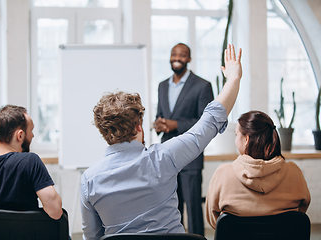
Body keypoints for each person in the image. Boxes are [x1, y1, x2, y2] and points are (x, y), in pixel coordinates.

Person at [80, 44, 242, 240]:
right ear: (138, 126)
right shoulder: (164, 157)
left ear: (103, 131)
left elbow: (92, 237)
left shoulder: (89, 180)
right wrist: (233, 79)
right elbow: (209, 121)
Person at [205, 110, 311, 229]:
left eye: (236, 135)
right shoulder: (294, 172)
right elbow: (301, 211)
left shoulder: (223, 173)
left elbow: (214, 219)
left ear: (246, 139)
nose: (235, 140)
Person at [0, 105, 63, 224]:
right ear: (20, 135)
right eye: (31, 130)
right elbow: (55, 211)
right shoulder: (30, 161)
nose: (33, 135)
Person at [153, 43, 214, 235]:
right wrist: (159, 124)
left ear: (189, 59)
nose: (177, 58)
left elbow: (206, 123)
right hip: (167, 156)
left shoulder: (203, 86)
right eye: (174, 54)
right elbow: (161, 114)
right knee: (171, 209)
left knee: (193, 208)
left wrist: (176, 125)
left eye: (182, 55)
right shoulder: (162, 85)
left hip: (191, 157)